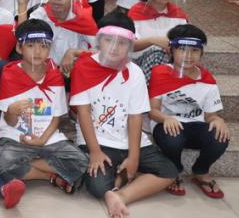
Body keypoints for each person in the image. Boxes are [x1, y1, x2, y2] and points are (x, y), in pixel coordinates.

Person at [70, 12, 177, 218]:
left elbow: (135, 116)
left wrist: (134, 156)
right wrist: (94, 151)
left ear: (130, 46)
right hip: (98, 141)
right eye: (108, 40)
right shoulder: (84, 67)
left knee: (169, 172)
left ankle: (121, 195)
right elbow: (83, 112)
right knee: (98, 186)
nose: (114, 47)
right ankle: (119, 181)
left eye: (122, 43)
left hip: (130, 141)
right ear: (99, 41)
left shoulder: (135, 72)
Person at [0, 19, 89, 209]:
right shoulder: (9, 73)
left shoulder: (55, 75)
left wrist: (42, 140)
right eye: (31, 45)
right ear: (19, 48)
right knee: (0, 162)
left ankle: (28, 167)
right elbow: (9, 122)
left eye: (43, 46)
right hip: (15, 138)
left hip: (49, 138)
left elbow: (57, 116)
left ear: (50, 49)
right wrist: (11, 112)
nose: (37, 51)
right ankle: (50, 175)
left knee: (82, 162)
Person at [149, 24, 229, 199]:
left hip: (195, 125)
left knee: (220, 136)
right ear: (171, 51)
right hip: (167, 125)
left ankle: (201, 171)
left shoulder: (207, 80)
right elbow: (152, 111)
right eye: (182, 50)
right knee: (173, 138)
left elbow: (210, 115)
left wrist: (217, 120)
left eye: (194, 51)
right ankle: (174, 170)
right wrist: (165, 118)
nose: (188, 56)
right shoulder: (160, 73)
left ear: (201, 54)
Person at [18, 0, 98, 75]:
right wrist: (22, 4)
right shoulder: (41, 14)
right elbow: (22, 40)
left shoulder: (83, 19)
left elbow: (101, 51)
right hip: (43, 72)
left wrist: (74, 52)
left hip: (71, 74)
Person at [127, 0, 188, 81]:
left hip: (172, 63)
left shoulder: (178, 13)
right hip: (139, 64)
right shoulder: (136, 12)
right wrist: (153, 40)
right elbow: (128, 46)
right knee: (157, 54)